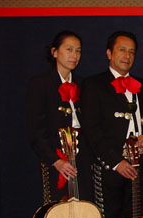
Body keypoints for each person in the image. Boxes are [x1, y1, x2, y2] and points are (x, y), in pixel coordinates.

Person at [80, 31, 143, 218]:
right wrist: (117, 162)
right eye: (122, 50)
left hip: (139, 165)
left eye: (132, 51)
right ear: (109, 53)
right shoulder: (93, 85)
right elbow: (92, 130)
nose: (127, 55)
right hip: (110, 168)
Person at [26, 30, 92, 202]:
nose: (74, 55)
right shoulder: (40, 84)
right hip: (56, 160)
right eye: (69, 49)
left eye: (78, 51)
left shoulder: (83, 84)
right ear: (54, 52)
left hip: (82, 160)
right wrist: (56, 161)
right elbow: (36, 132)